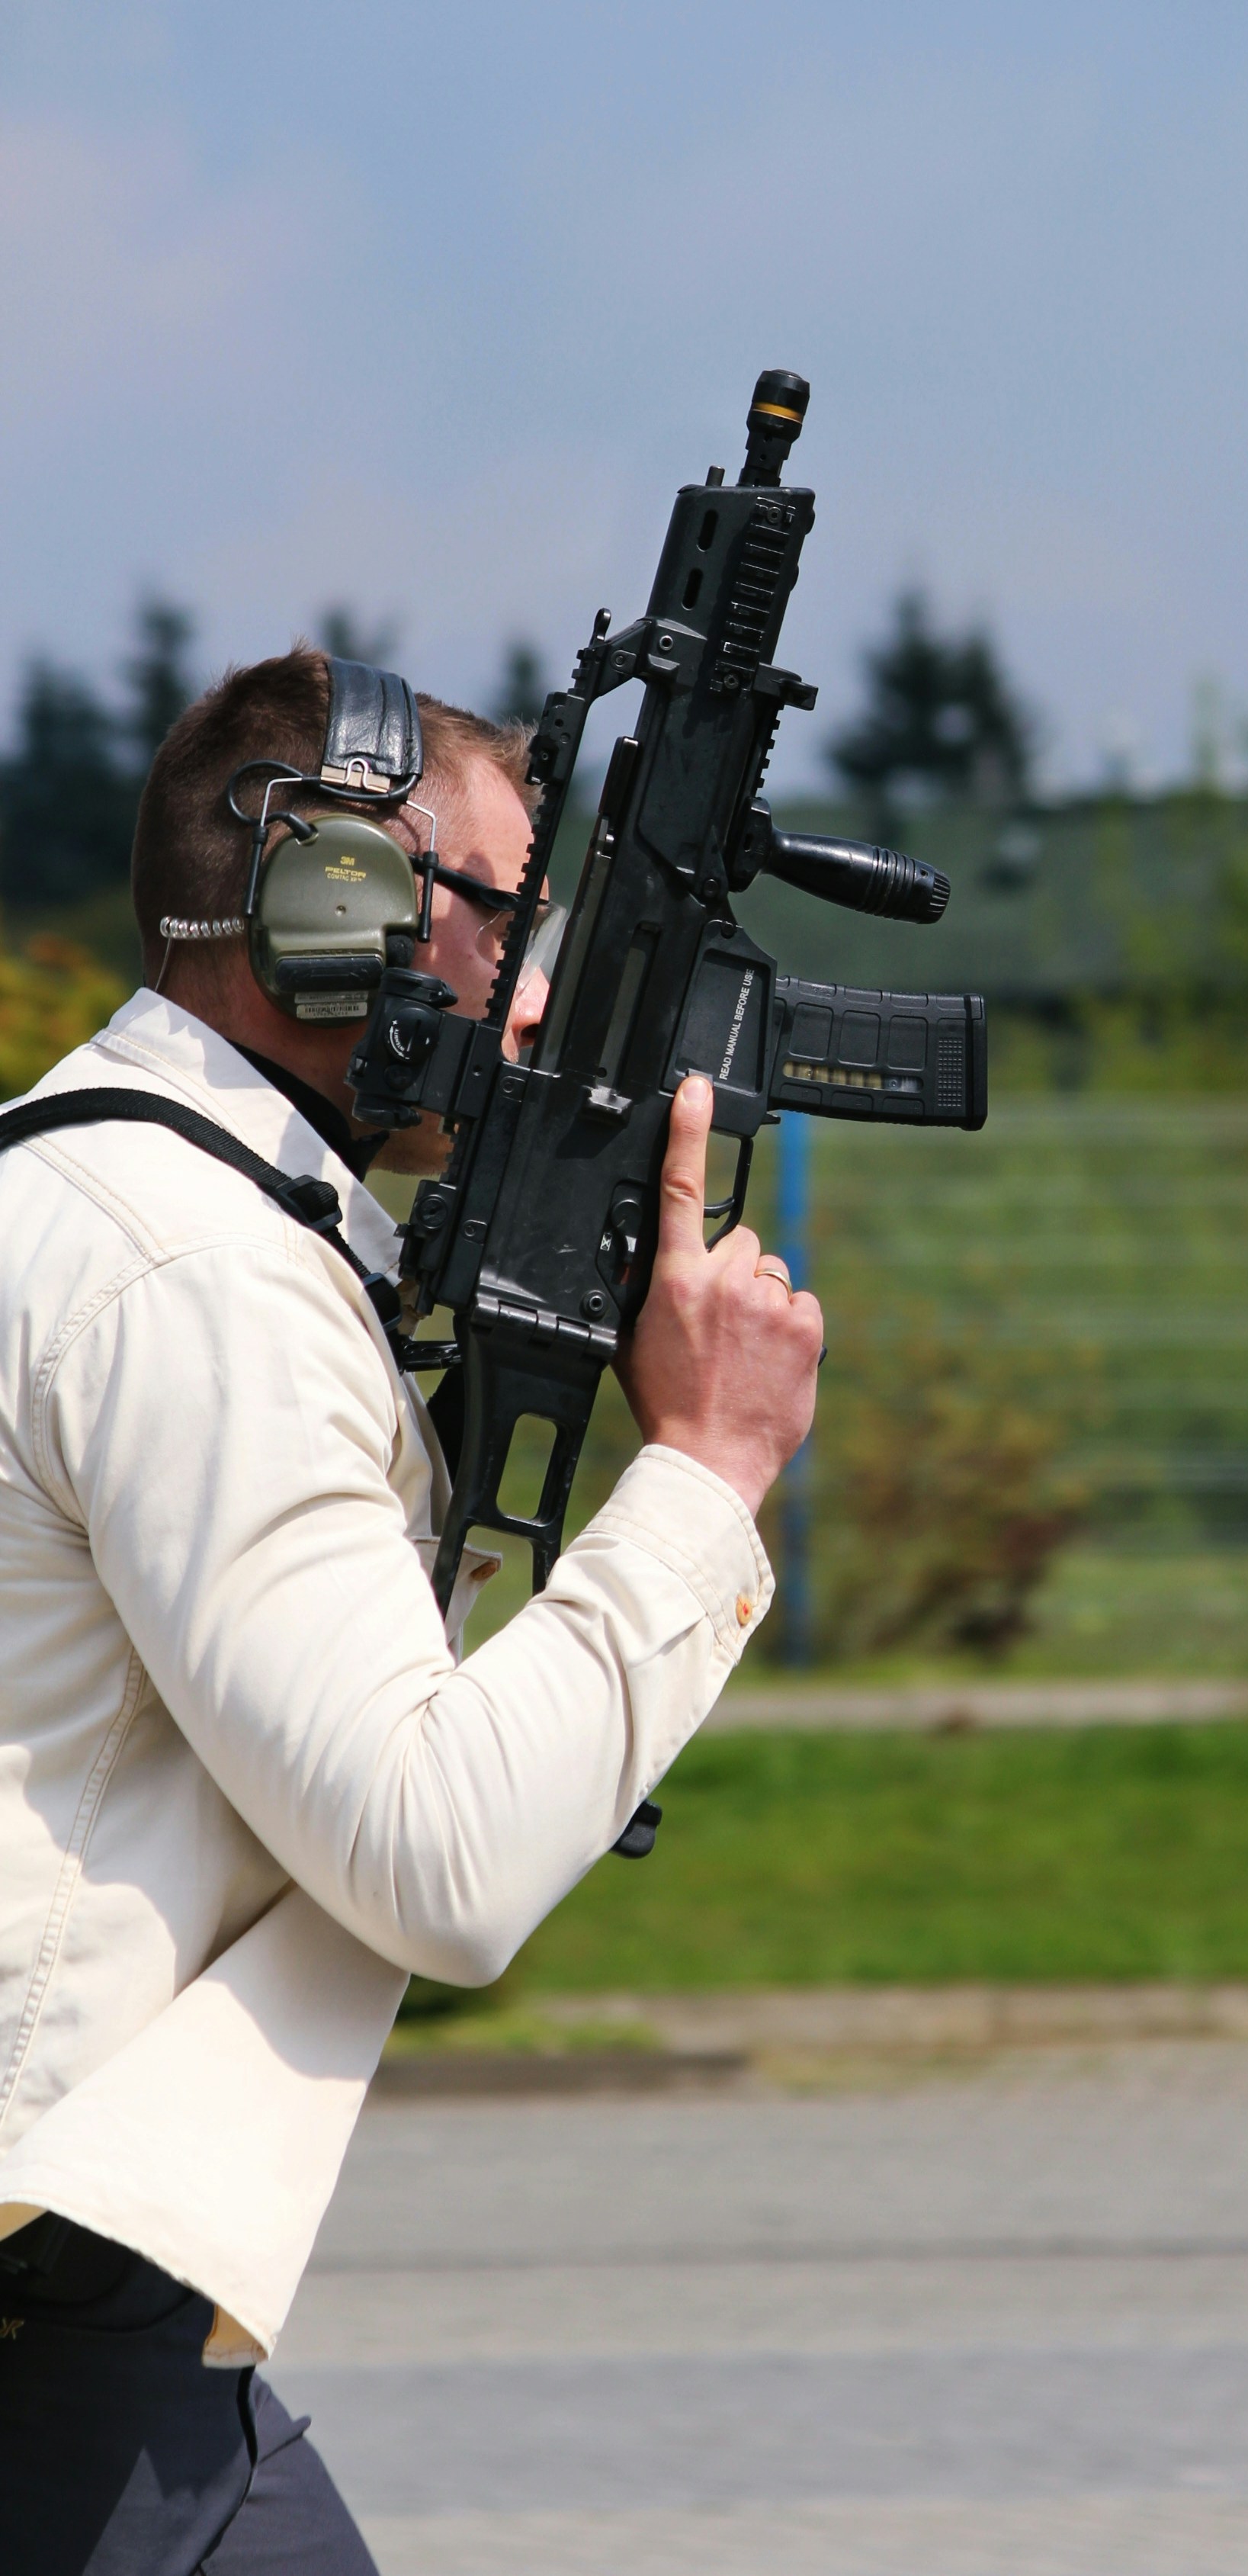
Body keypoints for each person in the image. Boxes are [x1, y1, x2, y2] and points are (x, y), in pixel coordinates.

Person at [0, 647, 823, 2572]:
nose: (536, 994)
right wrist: (706, 1472)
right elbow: (436, 1852)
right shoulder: (194, 1278)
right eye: (500, 912)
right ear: (330, 908)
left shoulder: (108, 1203)